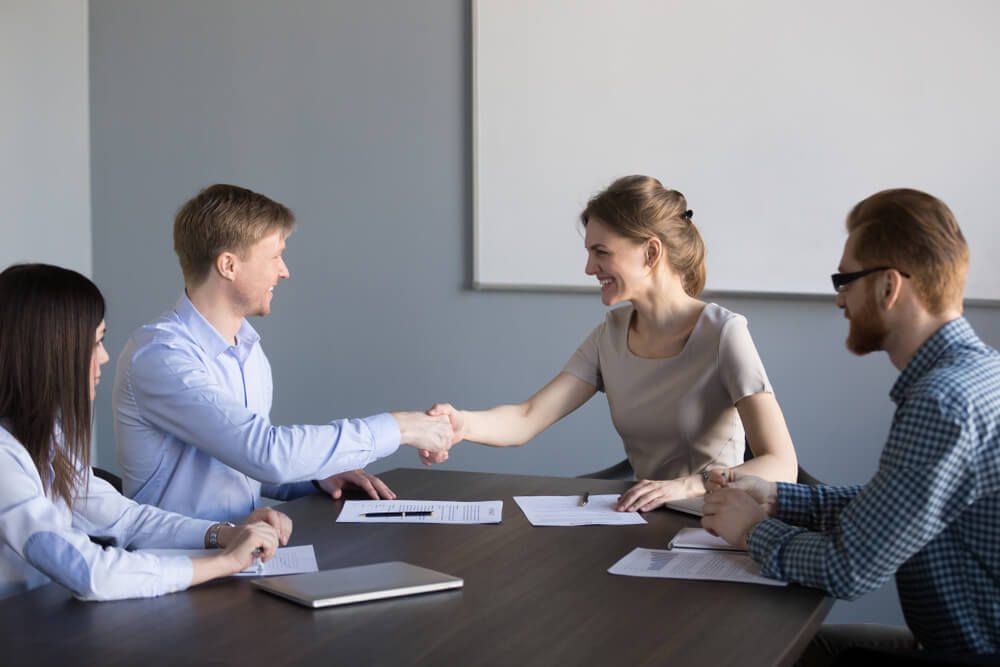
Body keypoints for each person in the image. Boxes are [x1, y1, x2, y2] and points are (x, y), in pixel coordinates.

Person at [701, 188, 1000, 660]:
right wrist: (777, 497)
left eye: (845, 279)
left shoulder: (942, 402)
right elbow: (891, 509)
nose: (840, 298)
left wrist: (751, 530)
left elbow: (849, 568)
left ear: (888, 286)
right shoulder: (981, 374)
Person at [430, 175, 798, 511]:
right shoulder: (609, 335)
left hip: (718, 524)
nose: (590, 268)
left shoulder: (723, 333)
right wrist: (460, 424)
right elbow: (527, 419)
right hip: (645, 518)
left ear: (651, 253)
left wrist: (685, 486)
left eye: (601, 252)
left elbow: (782, 465)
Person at [114, 184, 453, 522]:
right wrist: (401, 427)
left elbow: (241, 461)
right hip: (177, 567)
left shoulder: (248, 350)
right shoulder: (161, 356)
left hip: (241, 551)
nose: (284, 270)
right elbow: (265, 453)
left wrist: (317, 476)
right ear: (228, 266)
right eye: (275, 256)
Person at [0, 263, 292, 601]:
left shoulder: (46, 438)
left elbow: (126, 519)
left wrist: (224, 535)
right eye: (95, 343)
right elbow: (89, 572)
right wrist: (225, 563)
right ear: (50, 353)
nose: (105, 356)